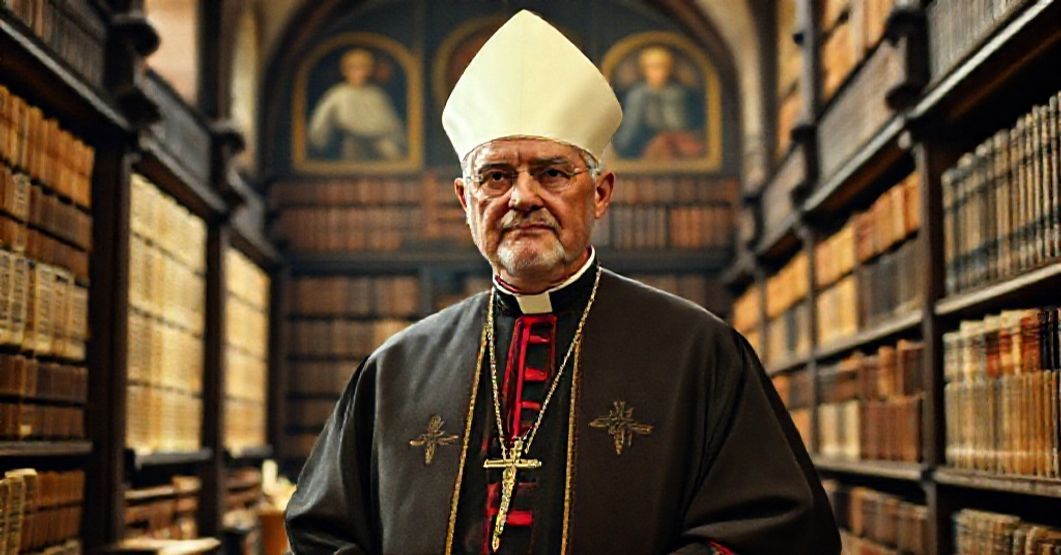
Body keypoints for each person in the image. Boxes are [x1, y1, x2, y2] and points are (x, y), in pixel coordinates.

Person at [286, 10, 840, 554]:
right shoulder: (396, 368)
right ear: (465, 200)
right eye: (496, 176)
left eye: (551, 173)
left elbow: (779, 530)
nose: (522, 198)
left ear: (599, 193)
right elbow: (322, 534)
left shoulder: (699, 351)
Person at [307, 48, 406, 161]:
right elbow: (319, 128)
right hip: (351, 147)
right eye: (354, 68)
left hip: (379, 146)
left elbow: (393, 126)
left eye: (364, 68)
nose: (359, 73)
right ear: (345, 71)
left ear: (369, 71)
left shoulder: (377, 95)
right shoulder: (337, 95)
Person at [612, 46, 706, 160]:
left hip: (680, 147)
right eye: (653, 67)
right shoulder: (638, 95)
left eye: (663, 67)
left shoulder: (680, 93)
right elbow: (629, 133)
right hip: (646, 148)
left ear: (669, 69)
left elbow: (691, 126)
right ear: (644, 70)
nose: (659, 72)